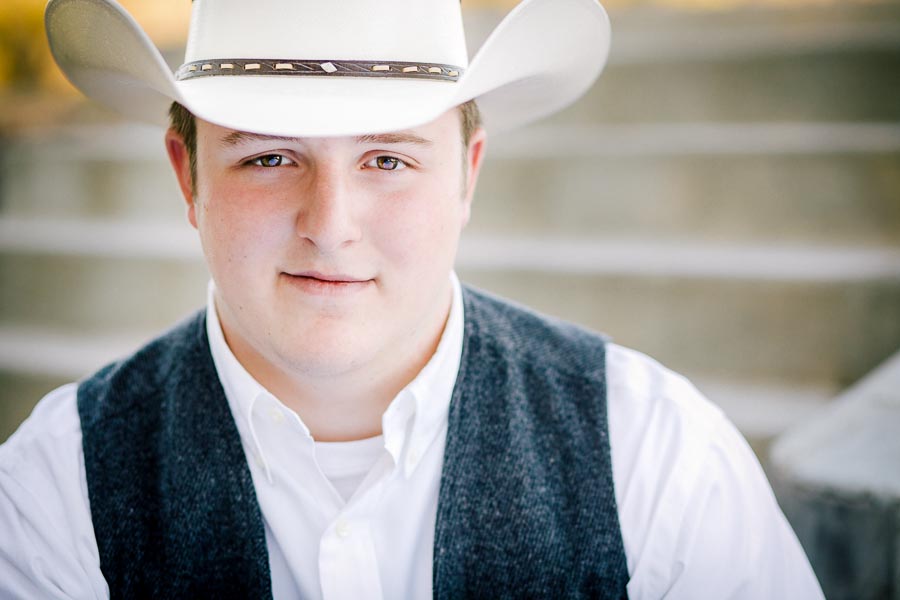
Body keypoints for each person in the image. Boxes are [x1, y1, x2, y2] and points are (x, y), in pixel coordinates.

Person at [0, 0, 825, 598]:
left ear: (466, 174)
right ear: (188, 177)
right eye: (268, 158)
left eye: (387, 160)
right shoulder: (55, 487)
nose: (331, 226)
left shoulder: (655, 457)